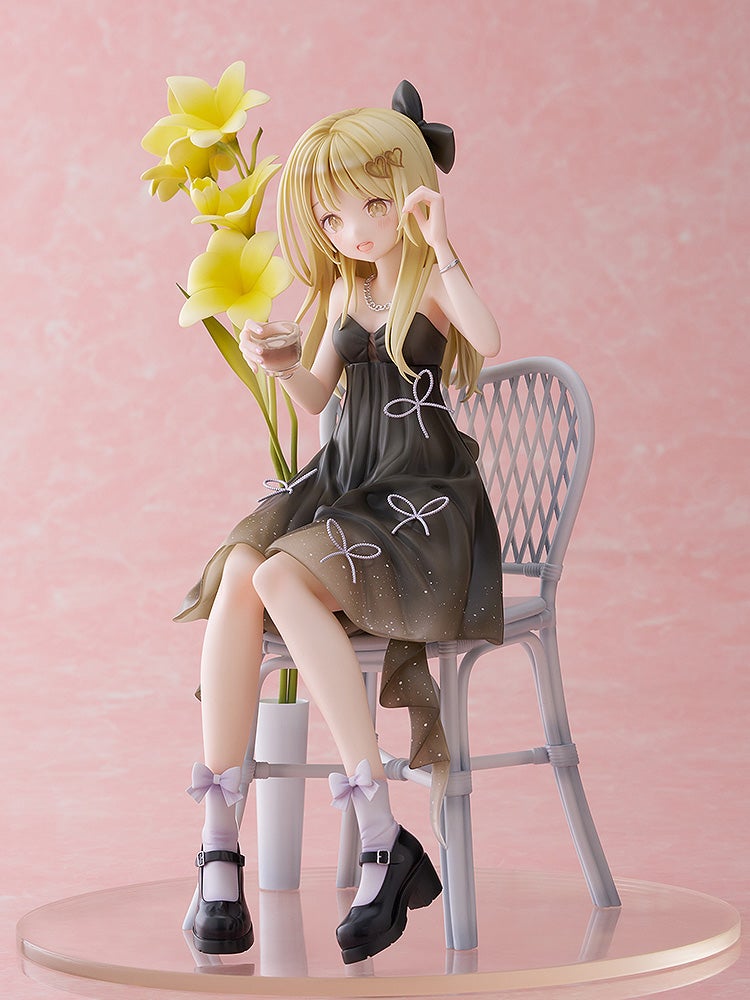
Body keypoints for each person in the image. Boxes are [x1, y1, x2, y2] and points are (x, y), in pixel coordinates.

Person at [176, 81, 503, 964]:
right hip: (348, 487)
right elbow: (318, 396)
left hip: (420, 502)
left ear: (409, 189)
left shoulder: (430, 281)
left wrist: (442, 242)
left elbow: (488, 337)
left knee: (277, 573)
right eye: (332, 217)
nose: (355, 230)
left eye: (373, 205)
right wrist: (282, 359)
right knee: (243, 567)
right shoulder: (344, 293)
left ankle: (378, 832)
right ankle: (219, 845)